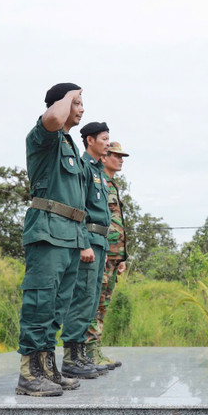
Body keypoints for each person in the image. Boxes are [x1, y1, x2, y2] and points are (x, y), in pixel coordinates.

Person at [16, 83, 88, 397]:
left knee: (57, 307)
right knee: (39, 301)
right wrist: (67, 95)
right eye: (78, 102)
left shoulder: (70, 144)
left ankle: (47, 368)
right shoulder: (44, 135)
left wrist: (81, 238)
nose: (82, 108)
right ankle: (28, 374)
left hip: (70, 234)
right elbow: (54, 119)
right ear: (61, 103)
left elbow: (80, 204)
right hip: (47, 229)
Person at [60, 121, 112, 379]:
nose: (107, 143)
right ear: (90, 140)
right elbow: (79, 208)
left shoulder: (99, 171)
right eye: (103, 138)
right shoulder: (83, 168)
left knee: (91, 301)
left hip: (101, 242)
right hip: (89, 240)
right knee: (81, 298)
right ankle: (71, 358)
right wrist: (84, 243)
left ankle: (81, 354)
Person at [85, 141, 130, 369]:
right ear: (104, 157)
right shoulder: (97, 181)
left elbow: (117, 223)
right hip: (99, 252)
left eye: (122, 156)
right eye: (116, 155)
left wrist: (120, 257)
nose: (121, 159)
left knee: (103, 305)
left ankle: (96, 352)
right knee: (94, 303)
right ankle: (86, 353)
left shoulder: (111, 184)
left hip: (113, 256)